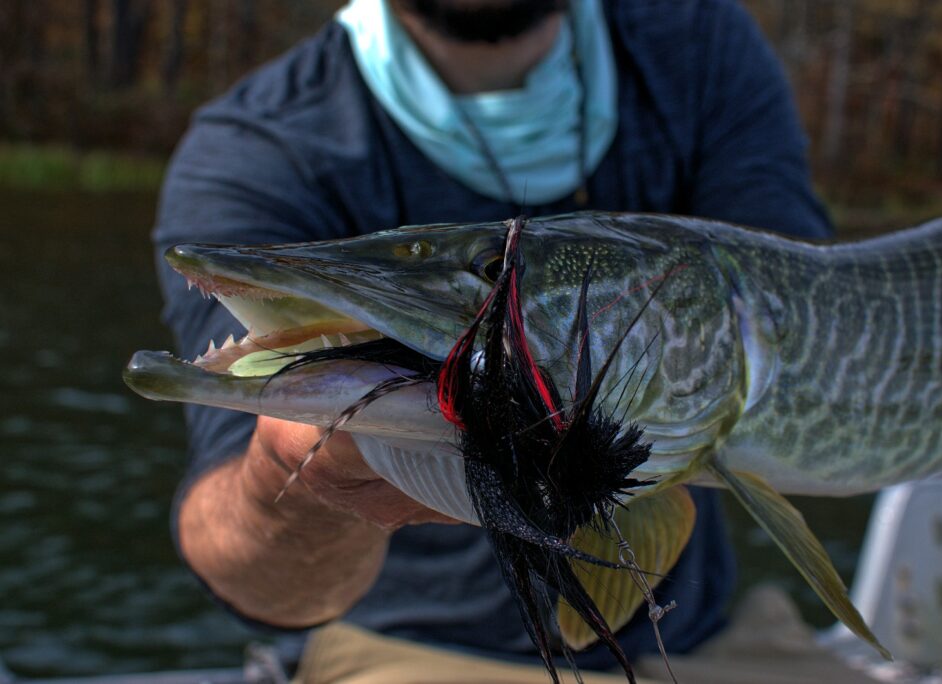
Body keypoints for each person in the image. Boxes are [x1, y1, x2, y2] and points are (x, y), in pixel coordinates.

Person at [154, 0, 832, 680]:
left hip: (703, 641)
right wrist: (291, 473)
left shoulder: (697, 47)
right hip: (413, 650)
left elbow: (802, 329)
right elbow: (252, 579)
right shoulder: (258, 149)